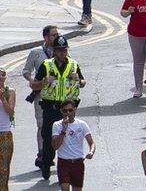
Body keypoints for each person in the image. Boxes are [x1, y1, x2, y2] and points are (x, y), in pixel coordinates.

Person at [31, 35, 86, 181]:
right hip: (51, 107)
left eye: (64, 50)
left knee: (67, 139)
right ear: (53, 51)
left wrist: (78, 80)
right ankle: (47, 163)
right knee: (49, 139)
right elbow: (33, 85)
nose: (62, 53)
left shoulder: (74, 64)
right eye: (59, 50)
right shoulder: (46, 65)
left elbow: (83, 82)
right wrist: (43, 81)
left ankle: (64, 173)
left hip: (68, 108)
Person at [23, 25, 59, 168]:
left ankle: (58, 153)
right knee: (42, 124)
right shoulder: (36, 52)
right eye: (53, 35)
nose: (57, 37)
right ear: (45, 37)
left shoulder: (62, 51)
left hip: (58, 94)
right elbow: (26, 70)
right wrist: (32, 81)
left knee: (59, 124)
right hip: (41, 94)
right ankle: (42, 154)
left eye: (57, 34)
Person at [51, 99, 94, 191]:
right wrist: (63, 130)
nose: (68, 113)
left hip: (78, 162)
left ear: (75, 110)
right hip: (63, 162)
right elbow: (55, 146)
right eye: (65, 111)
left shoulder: (82, 124)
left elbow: (91, 142)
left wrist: (91, 151)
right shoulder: (57, 125)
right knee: (65, 188)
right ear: (61, 111)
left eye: (70, 110)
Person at [0, 67, 14, 190]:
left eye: (2, 75)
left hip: (4, 133)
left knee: (3, 168)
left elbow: (11, 112)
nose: (0, 78)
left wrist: (3, 99)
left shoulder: (10, 91)